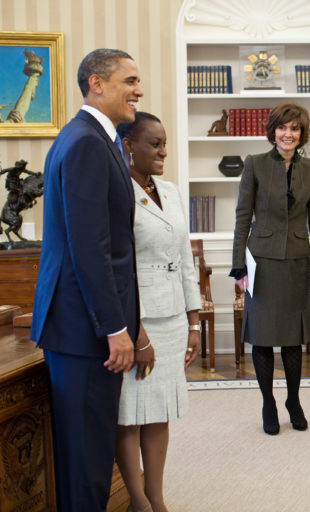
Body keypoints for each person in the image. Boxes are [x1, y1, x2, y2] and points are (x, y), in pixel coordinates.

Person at [29, 48, 143, 511]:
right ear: (97, 83)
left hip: (86, 327)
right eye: (129, 81)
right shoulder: (84, 143)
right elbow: (89, 248)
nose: (139, 90)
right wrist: (114, 327)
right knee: (85, 464)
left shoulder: (99, 139)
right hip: (83, 330)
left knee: (92, 456)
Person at [115, 112, 202, 512]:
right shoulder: (116, 191)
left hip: (172, 317)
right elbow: (119, 266)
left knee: (159, 410)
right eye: (155, 143)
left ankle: (156, 496)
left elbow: (184, 257)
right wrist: (137, 333)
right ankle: (137, 500)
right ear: (129, 145)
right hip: (140, 318)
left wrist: (195, 319)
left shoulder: (171, 191)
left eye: (165, 142)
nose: (163, 151)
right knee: (130, 414)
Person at [230, 102, 310, 435]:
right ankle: (268, 402)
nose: (288, 134)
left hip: (298, 262)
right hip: (262, 262)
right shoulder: (255, 164)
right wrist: (237, 265)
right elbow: (243, 216)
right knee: (262, 337)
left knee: (292, 339)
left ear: (302, 134)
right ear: (273, 131)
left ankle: (294, 400)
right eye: (282, 128)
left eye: (295, 129)